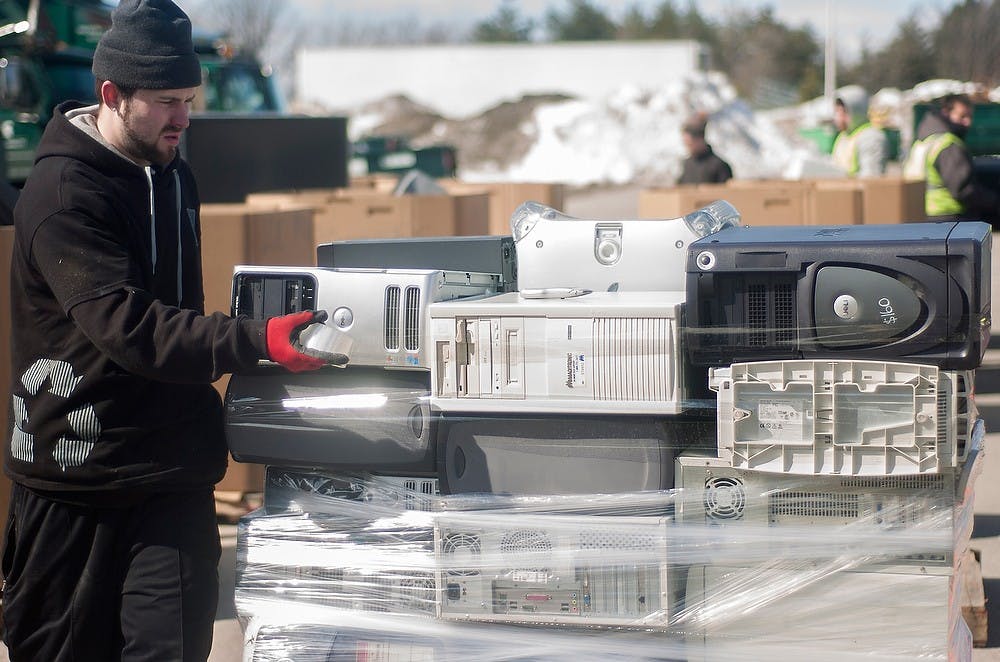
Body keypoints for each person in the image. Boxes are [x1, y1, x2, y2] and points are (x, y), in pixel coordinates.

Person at [2, 1, 327, 660]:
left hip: (172, 478)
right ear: (111, 95)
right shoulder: (64, 194)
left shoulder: (175, 174)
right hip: (74, 486)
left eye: (189, 99)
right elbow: (128, 327)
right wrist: (254, 339)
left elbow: (180, 309)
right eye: (165, 102)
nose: (183, 117)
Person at [905, 93, 1000, 221]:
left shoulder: (925, 140)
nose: (968, 122)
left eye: (970, 117)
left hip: (923, 212)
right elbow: (963, 189)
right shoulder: (948, 145)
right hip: (949, 216)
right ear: (946, 112)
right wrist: (993, 202)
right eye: (962, 116)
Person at [831, 95, 889, 177]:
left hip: (856, 189)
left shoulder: (871, 136)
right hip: (842, 188)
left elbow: (871, 177)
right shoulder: (843, 136)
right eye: (836, 111)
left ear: (855, 111)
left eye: (843, 112)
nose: (837, 117)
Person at [678, 112, 733, 184]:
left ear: (700, 139)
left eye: (690, 144)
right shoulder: (687, 164)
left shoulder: (720, 166)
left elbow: (727, 193)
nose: (687, 147)